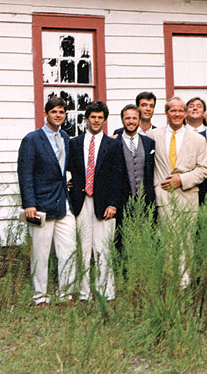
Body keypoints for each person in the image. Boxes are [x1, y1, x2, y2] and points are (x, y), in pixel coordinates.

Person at [17, 96, 76, 305]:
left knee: (68, 248)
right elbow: (25, 173)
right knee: (40, 253)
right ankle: (40, 296)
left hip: (63, 202)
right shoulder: (32, 139)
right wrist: (29, 203)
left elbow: (65, 168)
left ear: (65, 115)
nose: (58, 115)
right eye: (54, 112)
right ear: (46, 114)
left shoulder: (66, 139)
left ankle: (66, 293)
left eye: (61, 112)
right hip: (40, 205)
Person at [148, 97, 207, 286]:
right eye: (172, 110)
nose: (176, 114)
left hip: (187, 197)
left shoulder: (198, 139)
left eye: (180, 111)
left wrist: (181, 180)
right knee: (165, 241)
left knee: (186, 241)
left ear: (185, 113)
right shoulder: (153, 136)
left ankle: (184, 283)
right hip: (162, 197)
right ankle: (167, 282)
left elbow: (204, 169)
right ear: (166, 113)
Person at [68, 100, 124, 300]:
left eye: (100, 117)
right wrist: (68, 183)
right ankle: (84, 293)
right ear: (87, 119)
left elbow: (119, 176)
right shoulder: (74, 143)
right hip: (81, 201)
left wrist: (113, 204)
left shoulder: (114, 144)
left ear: (105, 120)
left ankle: (105, 291)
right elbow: (69, 170)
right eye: (93, 117)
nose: (96, 121)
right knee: (83, 248)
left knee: (103, 248)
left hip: (104, 203)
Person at [115, 104, 156, 250]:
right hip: (122, 203)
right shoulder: (114, 143)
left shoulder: (149, 143)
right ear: (122, 120)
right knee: (123, 244)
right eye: (127, 118)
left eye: (134, 118)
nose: (131, 121)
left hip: (145, 202)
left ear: (139, 120)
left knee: (146, 243)